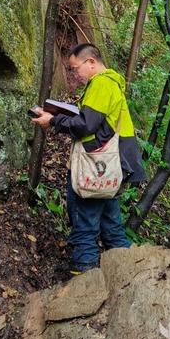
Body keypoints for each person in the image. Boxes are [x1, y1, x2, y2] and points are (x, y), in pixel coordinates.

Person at [32, 43, 146, 275]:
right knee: (111, 224)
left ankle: (85, 276)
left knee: (84, 221)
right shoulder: (112, 83)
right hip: (114, 166)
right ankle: (130, 274)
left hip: (98, 167)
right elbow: (96, 122)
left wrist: (52, 121)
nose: (75, 75)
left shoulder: (102, 83)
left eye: (75, 69)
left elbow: (86, 125)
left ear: (91, 62)